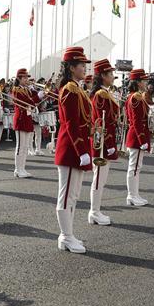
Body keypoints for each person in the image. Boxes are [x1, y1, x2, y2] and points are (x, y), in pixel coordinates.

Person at [54, 47, 93, 253]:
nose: (85, 69)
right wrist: (81, 150)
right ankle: (65, 236)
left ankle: (69, 234)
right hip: (71, 148)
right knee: (67, 194)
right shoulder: (69, 89)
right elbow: (71, 123)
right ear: (71, 67)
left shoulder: (77, 88)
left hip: (78, 147)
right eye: (81, 65)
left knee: (74, 194)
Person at [88, 58, 118, 225]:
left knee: (101, 178)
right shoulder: (101, 94)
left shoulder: (105, 92)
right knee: (99, 178)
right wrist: (109, 144)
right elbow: (102, 121)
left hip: (106, 141)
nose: (113, 76)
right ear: (102, 76)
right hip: (102, 143)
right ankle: (94, 211)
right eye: (110, 74)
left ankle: (96, 210)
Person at [124, 68, 151, 206]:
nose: (146, 82)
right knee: (134, 167)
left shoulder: (137, 96)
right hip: (136, 136)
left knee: (136, 167)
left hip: (137, 136)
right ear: (138, 82)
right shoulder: (135, 97)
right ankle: (131, 195)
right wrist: (142, 139)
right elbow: (136, 120)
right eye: (144, 80)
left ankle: (135, 194)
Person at [11, 69, 40, 178]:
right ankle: (17, 169)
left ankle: (22, 168)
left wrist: (36, 91)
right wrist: (38, 96)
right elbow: (27, 102)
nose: (27, 79)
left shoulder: (26, 89)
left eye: (27, 77)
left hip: (27, 119)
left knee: (25, 146)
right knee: (20, 146)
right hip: (21, 119)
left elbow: (34, 100)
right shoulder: (16, 90)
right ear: (18, 78)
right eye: (24, 78)